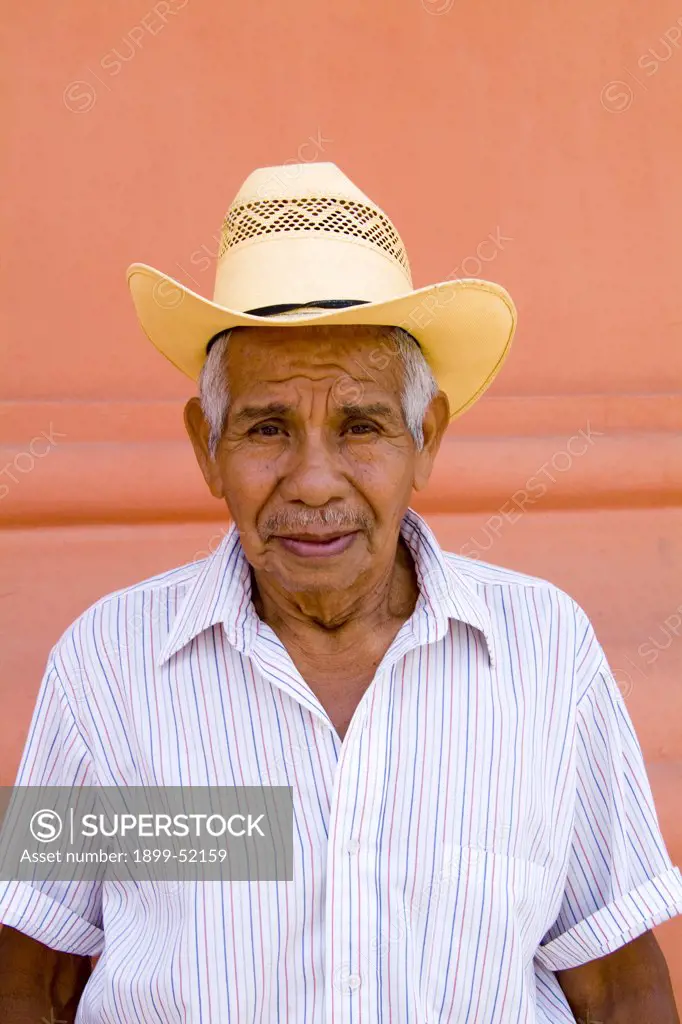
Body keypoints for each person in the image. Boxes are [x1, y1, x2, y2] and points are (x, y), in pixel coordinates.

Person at [0, 162, 680, 1022]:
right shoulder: (106, 662)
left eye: (360, 425)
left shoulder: (545, 651)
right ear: (206, 447)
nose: (314, 481)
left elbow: (617, 984)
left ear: (425, 438)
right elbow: (33, 974)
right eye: (266, 428)